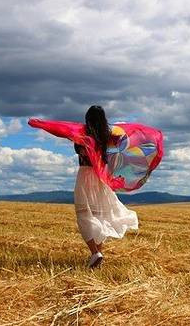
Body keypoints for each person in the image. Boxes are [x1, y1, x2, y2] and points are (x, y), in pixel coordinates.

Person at [73, 105, 138, 268]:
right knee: (99, 216)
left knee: (83, 216)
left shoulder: (82, 135)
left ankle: (95, 252)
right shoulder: (108, 137)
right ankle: (97, 256)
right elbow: (118, 151)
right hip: (101, 177)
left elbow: (78, 148)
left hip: (85, 175)